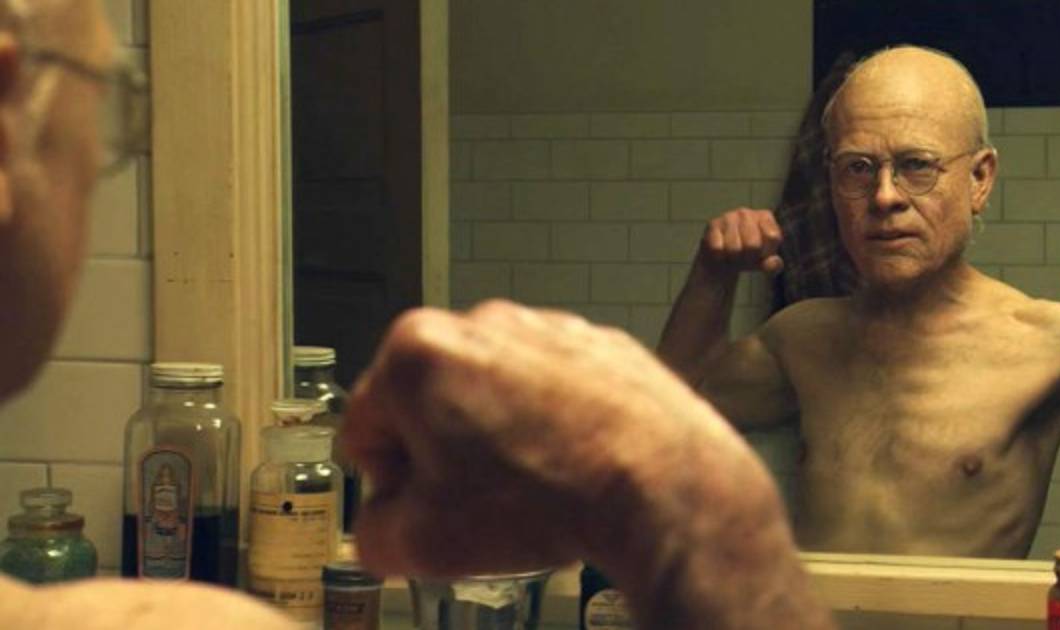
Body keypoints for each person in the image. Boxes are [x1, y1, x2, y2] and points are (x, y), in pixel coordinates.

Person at [0, 1, 838, 628]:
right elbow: (690, 386)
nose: (105, 159)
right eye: (111, 105)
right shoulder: (807, 338)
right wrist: (697, 501)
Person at [659, 45, 1060, 558]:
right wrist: (712, 275)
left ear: (980, 179)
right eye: (857, 167)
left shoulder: (1056, 346)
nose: (885, 196)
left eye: (917, 165)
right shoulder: (802, 338)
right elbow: (661, 429)